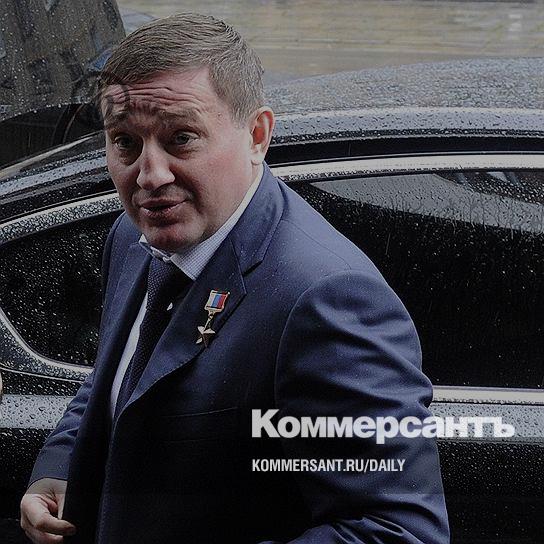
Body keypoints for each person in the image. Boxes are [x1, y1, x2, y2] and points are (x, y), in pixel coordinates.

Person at [19, 13, 449, 544]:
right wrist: (60, 466)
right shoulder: (132, 237)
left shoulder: (325, 299)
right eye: (125, 142)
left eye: (181, 138)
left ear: (257, 136)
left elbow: (397, 531)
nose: (150, 176)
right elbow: (117, 375)